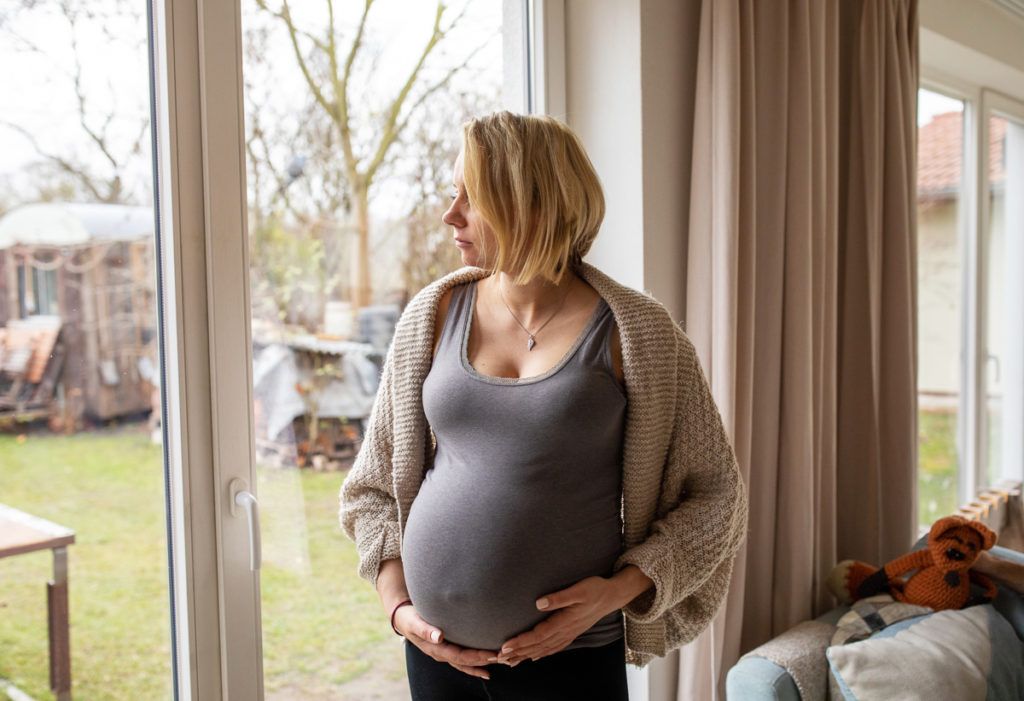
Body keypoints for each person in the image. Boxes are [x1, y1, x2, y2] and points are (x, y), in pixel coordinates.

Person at [340, 111, 747, 701]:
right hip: (437, 658)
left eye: (471, 197)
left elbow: (717, 498)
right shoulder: (433, 316)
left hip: (572, 659)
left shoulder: (637, 334)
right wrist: (399, 608)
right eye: (451, 194)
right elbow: (371, 487)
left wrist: (616, 592)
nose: (450, 214)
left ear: (533, 204)